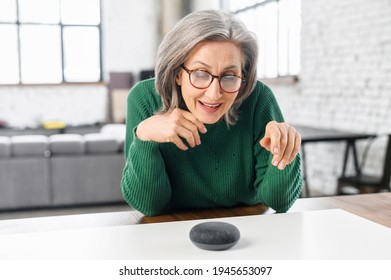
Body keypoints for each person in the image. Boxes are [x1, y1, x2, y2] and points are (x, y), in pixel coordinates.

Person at [121, 9, 302, 216]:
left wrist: (285, 151)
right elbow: (148, 206)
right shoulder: (144, 98)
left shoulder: (258, 98)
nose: (214, 94)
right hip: (170, 229)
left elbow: (279, 202)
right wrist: (145, 138)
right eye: (200, 73)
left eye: (229, 75)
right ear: (177, 74)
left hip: (245, 226)